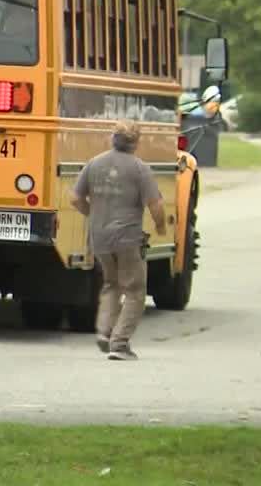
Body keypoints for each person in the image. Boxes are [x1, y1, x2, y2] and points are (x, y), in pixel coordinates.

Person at [69, 119, 167, 361]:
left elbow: (74, 198)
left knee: (111, 284)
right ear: (136, 143)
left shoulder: (94, 164)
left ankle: (104, 332)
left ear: (112, 139)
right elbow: (155, 204)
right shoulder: (139, 168)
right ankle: (120, 343)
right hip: (127, 239)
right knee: (134, 290)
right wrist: (161, 226)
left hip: (99, 238)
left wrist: (92, 214)